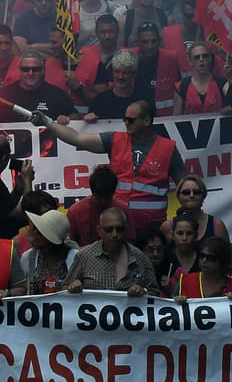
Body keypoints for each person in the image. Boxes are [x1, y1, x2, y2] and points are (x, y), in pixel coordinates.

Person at [41, 99, 185, 231]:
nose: (126, 123)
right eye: (125, 119)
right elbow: (77, 138)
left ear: (147, 121)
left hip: (152, 228)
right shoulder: (115, 139)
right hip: (117, 226)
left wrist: (180, 219)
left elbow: (185, 187)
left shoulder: (168, 148)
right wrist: (47, 122)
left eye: (131, 120)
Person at [63, 207, 160, 296]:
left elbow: (155, 293)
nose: (114, 234)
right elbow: (64, 290)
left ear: (126, 229)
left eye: (119, 229)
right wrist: (73, 287)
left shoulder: (140, 258)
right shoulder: (84, 256)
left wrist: (143, 291)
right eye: (109, 229)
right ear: (99, 231)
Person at [66, 165, 137, 247]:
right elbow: (70, 245)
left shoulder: (123, 210)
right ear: (92, 191)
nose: (103, 202)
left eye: (107, 197)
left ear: (113, 192)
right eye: (100, 197)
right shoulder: (75, 212)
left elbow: (130, 242)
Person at [20, 209, 80, 295]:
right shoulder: (28, 257)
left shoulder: (75, 257)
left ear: (51, 240)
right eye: (35, 230)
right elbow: (23, 289)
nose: (34, 235)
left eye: (40, 233)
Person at [175, 236, 232, 300]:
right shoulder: (184, 281)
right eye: (202, 256)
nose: (204, 260)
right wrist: (177, 302)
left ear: (222, 260)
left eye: (210, 258)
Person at [173, 43, 232, 115]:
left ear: (210, 58)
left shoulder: (222, 83)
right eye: (197, 57)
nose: (201, 59)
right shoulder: (181, 86)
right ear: (190, 61)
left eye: (205, 56)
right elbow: (176, 119)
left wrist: (230, 78)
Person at [84, 49, 139, 119]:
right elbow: (91, 128)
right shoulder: (99, 101)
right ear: (112, 72)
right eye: (117, 72)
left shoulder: (143, 101)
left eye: (125, 73)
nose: (120, 77)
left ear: (134, 74)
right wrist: (89, 120)